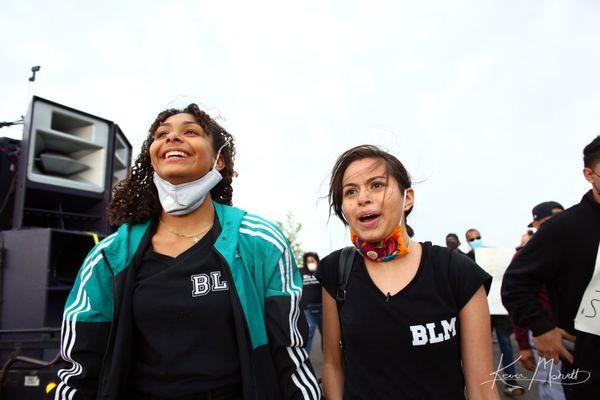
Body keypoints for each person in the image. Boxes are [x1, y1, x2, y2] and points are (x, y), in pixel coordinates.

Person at [54, 104, 321, 400]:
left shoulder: (261, 241)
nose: (172, 138)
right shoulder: (111, 255)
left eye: (190, 131)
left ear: (219, 160)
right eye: (161, 134)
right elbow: (80, 370)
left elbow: (291, 359)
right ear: (152, 155)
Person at [316, 145, 498, 400]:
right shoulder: (336, 270)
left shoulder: (456, 272)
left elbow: (481, 387)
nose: (362, 198)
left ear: (407, 198)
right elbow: (333, 364)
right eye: (350, 191)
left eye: (377, 185)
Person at [502, 136, 600, 400]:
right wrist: (541, 328)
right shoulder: (566, 228)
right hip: (590, 366)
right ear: (590, 174)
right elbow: (515, 283)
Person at [512, 201, 565, 400]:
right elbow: (517, 299)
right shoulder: (527, 255)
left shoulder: (578, 248)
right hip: (548, 336)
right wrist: (523, 344)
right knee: (555, 390)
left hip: (583, 335)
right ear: (536, 225)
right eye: (548, 222)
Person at [465, 228, 525, 397]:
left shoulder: (495, 255)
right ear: (468, 241)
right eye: (472, 238)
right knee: (477, 347)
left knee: (505, 343)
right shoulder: (467, 258)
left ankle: (511, 380)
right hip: (480, 310)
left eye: (478, 237)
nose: (476, 240)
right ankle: (481, 383)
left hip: (499, 309)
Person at [299, 252, 323, 355]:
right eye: (308, 261)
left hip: (323, 308)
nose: (310, 263)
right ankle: (305, 357)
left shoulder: (322, 271)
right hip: (307, 308)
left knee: (327, 335)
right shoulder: (301, 272)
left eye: (312, 261)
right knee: (309, 332)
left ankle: (328, 357)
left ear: (317, 261)